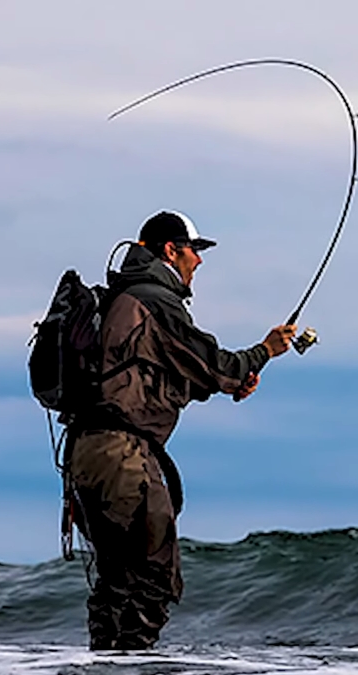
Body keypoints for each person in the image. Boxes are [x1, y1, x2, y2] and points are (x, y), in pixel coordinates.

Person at [66, 210, 296, 650]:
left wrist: (219, 387)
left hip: (87, 451)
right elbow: (211, 361)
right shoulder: (155, 298)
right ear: (171, 251)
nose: (200, 261)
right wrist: (264, 351)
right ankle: (134, 665)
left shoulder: (120, 298)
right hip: (123, 454)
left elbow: (151, 375)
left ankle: (107, 664)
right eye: (195, 250)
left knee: (116, 579)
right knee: (153, 574)